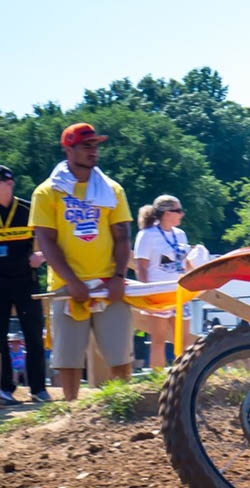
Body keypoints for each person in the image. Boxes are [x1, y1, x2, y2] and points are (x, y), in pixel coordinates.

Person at [31, 123, 134, 401]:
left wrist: (118, 276)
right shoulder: (46, 193)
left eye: (96, 146)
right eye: (87, 146)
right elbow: (47, 242)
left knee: (119, 355)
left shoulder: (112, 189)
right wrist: (73, 282)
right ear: (68, 149)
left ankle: (122, 408)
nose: (94, 151)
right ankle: (71, 415)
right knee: (68, 359)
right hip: (67, 286)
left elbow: (122, 237)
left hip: (107, 284)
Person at [0, 165, 50, 404]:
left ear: (9, 184)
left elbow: (49, 241)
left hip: (26, 282)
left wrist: (41, 256)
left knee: (33, 335)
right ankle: (5, 389)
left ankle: (38, 389)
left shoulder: (28, 210)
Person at [133, 194, 196, 368]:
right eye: (178, 211)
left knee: (183, 342)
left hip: (179, 293)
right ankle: (158, 379)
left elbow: (185, 262)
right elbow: (142, 267)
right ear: (167, 213)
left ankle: (181, 378)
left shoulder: (180, 235)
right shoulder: (147, 235)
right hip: (158, 293)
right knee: (158, 341)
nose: (181, 214)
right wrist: (147, 294)